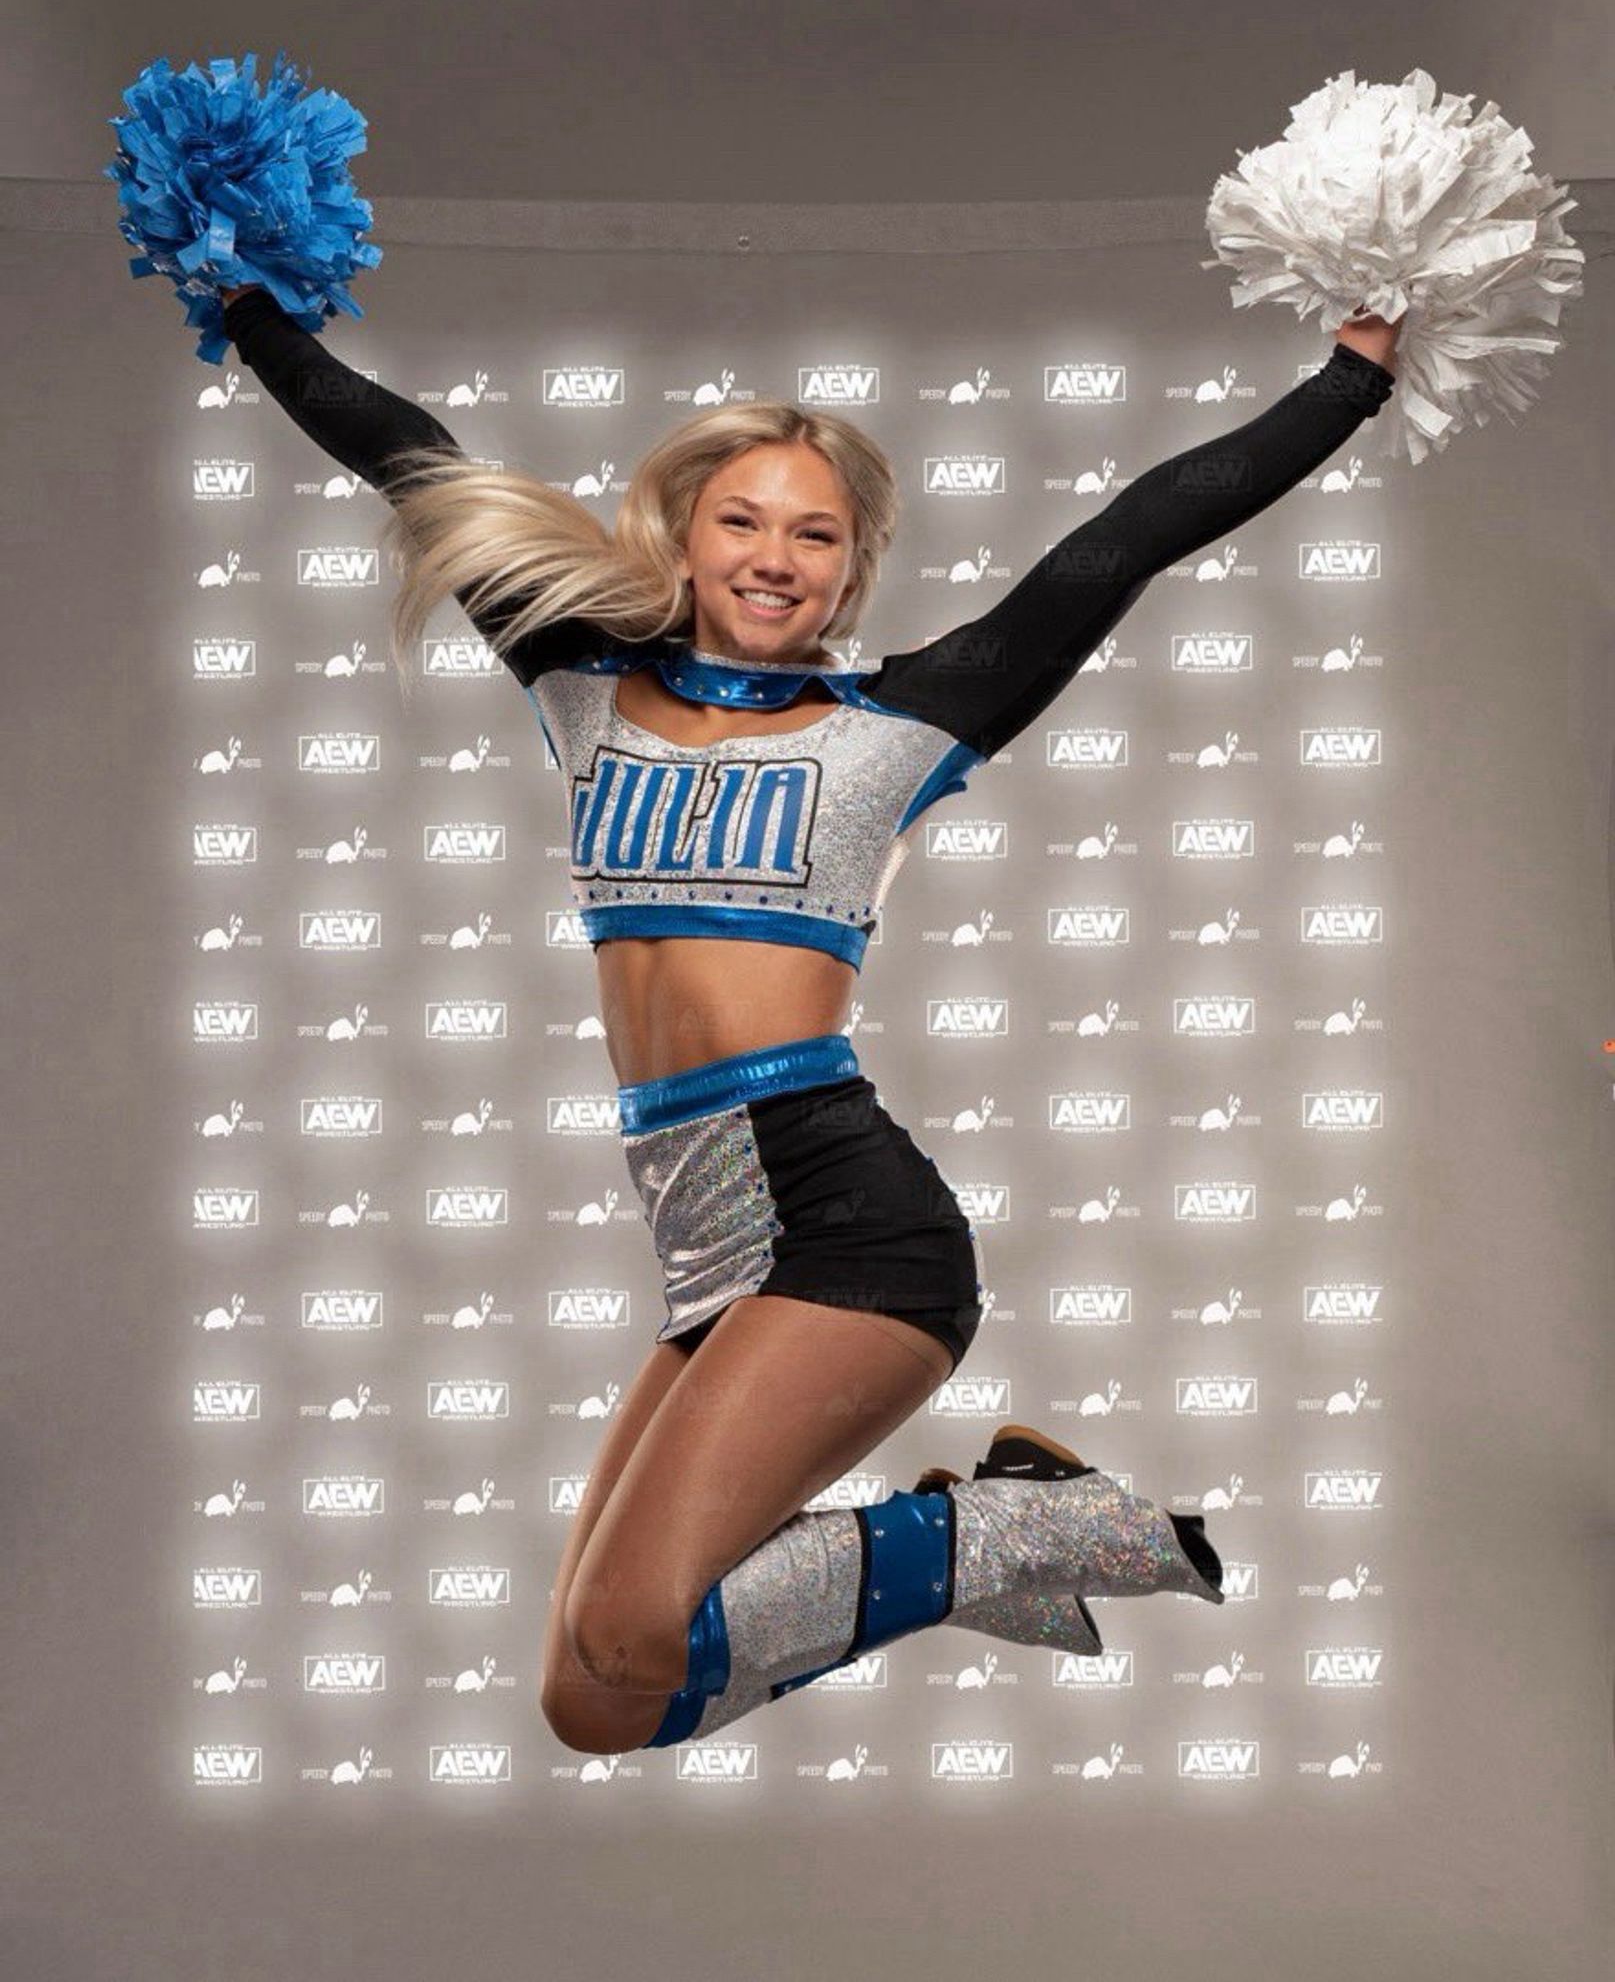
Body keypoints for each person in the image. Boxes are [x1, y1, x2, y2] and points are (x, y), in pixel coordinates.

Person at [217, 283, 1399, 1753]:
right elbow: (411, 457)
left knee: (643, 1623)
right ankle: (997, 1534)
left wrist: (1350, 378)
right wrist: (254, 313)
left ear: (852, 572)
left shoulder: (909, 717)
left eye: (815, 534)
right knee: (598, 1696)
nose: (774, 557)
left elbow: (1129, 538)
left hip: (846, 1219)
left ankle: (1010, 1537)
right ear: (685, 533)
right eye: (743, 521)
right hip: (706, 1228)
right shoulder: (582, 681)